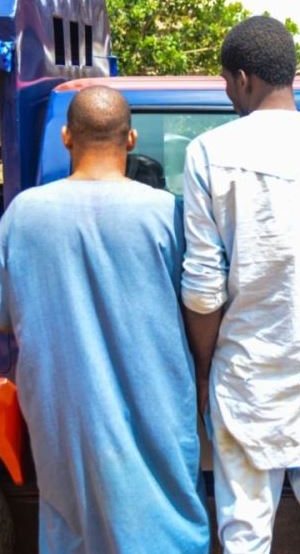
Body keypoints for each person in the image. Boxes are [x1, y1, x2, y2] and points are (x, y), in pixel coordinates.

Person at [180, 16, 300, 554]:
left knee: (244, 539)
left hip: (242, 381)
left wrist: (203, 372)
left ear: (243, 78)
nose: (227, 92)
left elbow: (202, 289)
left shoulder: (208, 153)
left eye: (225, 81)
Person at [0, 86, 209, 554]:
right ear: (131, 138)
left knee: (73, 527)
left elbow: (6, 318)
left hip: (62, 417)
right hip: (154, 407)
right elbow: (201, 304)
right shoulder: (167, 215)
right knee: (166, 519)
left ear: (66, 137)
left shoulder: (21, 215)